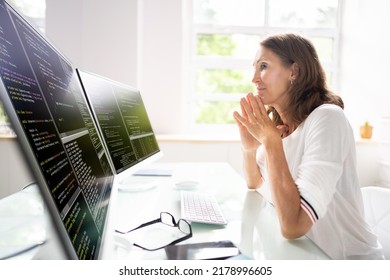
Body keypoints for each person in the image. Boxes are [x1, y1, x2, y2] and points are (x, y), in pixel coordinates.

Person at [233, 33, 384, 259]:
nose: (254, 78)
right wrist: (249, 148)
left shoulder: (327, 119)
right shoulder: (280, 127)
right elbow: (255, 183)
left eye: (263, 66)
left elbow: (293, 226)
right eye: (254, 68)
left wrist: (272, 143)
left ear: (294, 72)